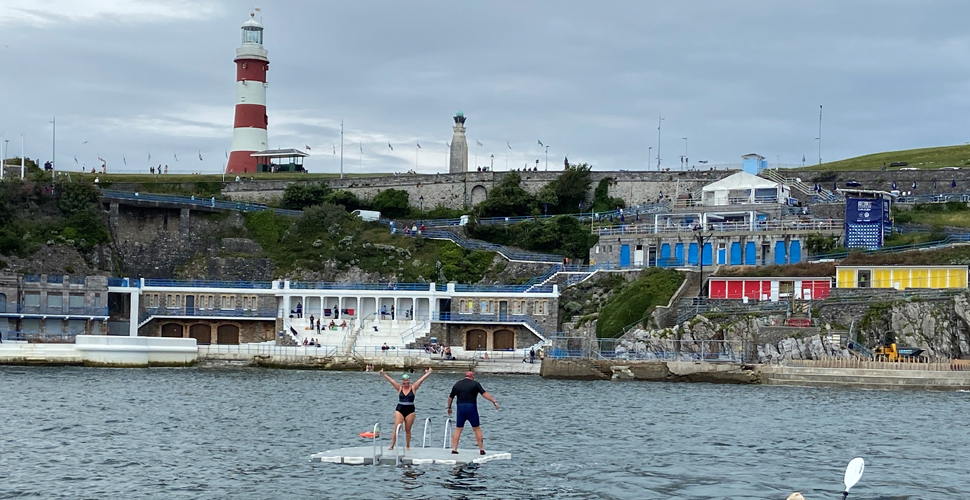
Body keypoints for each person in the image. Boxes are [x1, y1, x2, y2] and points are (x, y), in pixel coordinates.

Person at [379, 367, 432, 450]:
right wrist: (384, 374)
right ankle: (392, 445)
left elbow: (421, 380)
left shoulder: (413, 387)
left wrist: (428, 373)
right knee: (397, 427)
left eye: (407, 382)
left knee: (408, 429)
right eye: (404, 382)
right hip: (400, 409)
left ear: (409, 381)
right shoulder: (400, 388)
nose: (406, 384)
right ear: (402, 382)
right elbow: (391, 381)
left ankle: (407, 446)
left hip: (410, 410)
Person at [447, 371, 499, 455]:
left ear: (465, 376)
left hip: (461, 408)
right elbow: (484, 394)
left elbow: (450, 397)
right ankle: (481, 449)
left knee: (458, 428)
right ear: (472, 377)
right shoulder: (475, 384)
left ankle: (454, 449)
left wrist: (449, 407)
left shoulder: (457, 384)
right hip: (471, 407)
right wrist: (494, 401)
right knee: (476, 428)